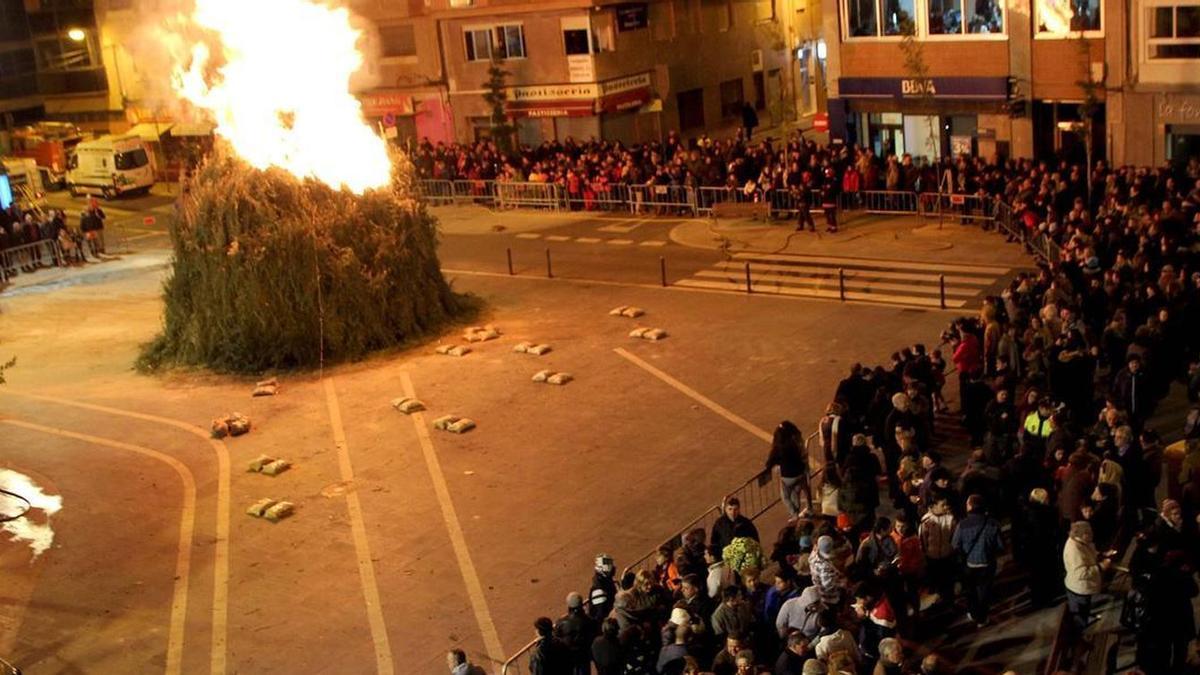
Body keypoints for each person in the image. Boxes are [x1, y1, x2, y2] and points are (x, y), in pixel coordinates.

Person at [950, 494, 1004, 627]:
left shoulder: (962, 524)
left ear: (969, 506)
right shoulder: (993, 523)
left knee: (971, 590)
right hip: (988, 563)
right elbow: (1000, 545)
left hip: (969, 563)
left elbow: (955, 545)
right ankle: (982, 617)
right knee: (984, 591)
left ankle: (974, 613)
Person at [767, 421, 813, 518]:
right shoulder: (794, 444)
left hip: (788, 478)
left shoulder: (778, 448)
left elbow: (769, 463)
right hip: (800, 472)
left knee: (786, 496)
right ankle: (809, 508)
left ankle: (794, 514)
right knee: (800, 491)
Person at [556, 592, 597, 675]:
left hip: (568, 658)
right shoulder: (589, 620)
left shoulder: (561, 622)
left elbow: (556, 639)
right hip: (584, 656)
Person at [589, 554, 617, 621]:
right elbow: (600, 615)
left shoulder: (606, 581)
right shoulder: (598, 590)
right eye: (609, 565)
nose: (613, 568)